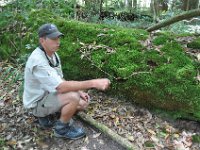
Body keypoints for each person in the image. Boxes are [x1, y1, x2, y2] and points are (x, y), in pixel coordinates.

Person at [23, 23, 111, 140]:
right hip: (37, 103)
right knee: (73, 97)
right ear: (42, 40)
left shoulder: (53, 55)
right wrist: (94, 83)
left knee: (82, 103)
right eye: (54, 39)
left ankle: (52, 115)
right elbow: (60, 87)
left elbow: (59, 79)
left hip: (49, 95)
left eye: (58, 38)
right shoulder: (38, 61)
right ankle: (61, 129)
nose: (58, 41)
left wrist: (80, 91)